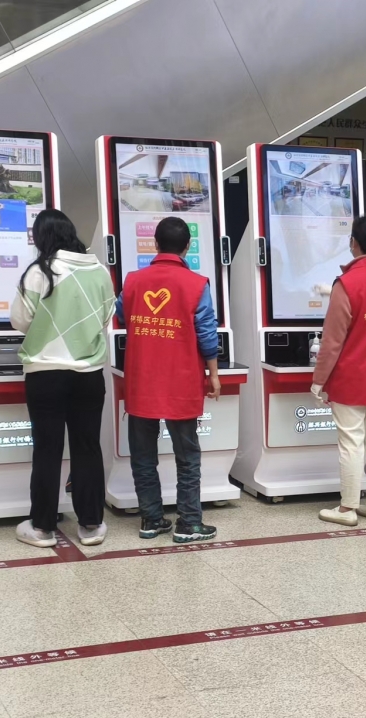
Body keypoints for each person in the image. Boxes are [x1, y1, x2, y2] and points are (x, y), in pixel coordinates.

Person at [11, 210, 115, 548]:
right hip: (88, 374)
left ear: (43, 238)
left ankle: (42, 527)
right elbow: (105, 316)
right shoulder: (99, 270)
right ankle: (91, 525)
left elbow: (20, 321)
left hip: (45, 374)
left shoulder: (39, 271)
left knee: (47, 448)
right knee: (87, 447)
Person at [119, 216, 221, 543]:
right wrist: (214, 374)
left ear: (155, 244)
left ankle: (151, 519)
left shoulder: (134, 281)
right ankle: (189, 523)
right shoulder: (196, 284)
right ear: (187, 247)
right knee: (187, 455)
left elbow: (122, 314)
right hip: (181, 382)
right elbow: (206, 334)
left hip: (141, 381)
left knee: (143, 455)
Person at [311, 215, 366, 526]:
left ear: (354, 242)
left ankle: (348, 509)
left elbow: (332, 341)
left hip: (351, 376)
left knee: (351, 441)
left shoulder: (347, 283)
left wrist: (318, 379)